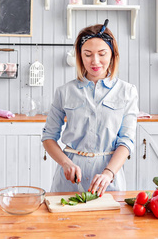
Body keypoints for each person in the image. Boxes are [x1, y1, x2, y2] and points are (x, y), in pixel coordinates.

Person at [41, 19, 139, 197]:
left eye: (102, 53)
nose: (95, 61)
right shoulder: (64, 92)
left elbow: (127, 141)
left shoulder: (127, 92)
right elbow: (48, 137)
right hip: (68, 181)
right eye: (87, 54)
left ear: (112, 54)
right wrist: (65, 163)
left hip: (109, 180)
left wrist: (109, 173)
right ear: (79, 56)